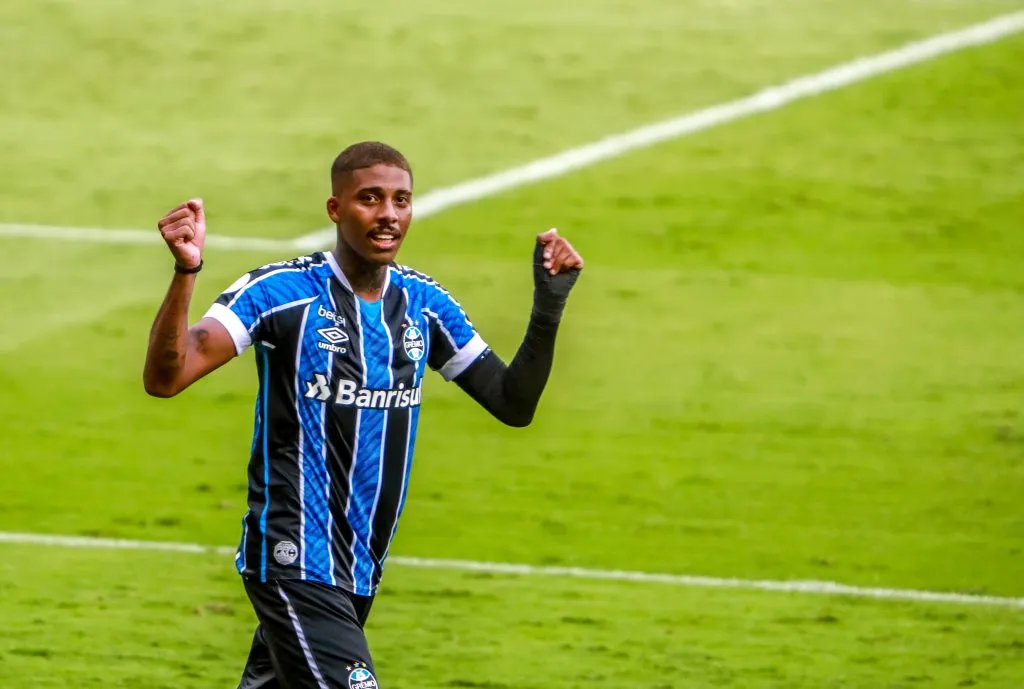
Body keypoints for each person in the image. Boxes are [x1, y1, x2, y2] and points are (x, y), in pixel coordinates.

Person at [142, 141, 584, 689]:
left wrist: (549, 306)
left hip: (359, 567)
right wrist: (187, 272)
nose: (389, 215)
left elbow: (512, 404)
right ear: (336, 209)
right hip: (294, 555)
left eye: (401, 200)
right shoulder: (280, 293)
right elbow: (167, 376)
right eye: (370, 199)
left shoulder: (425, 305)